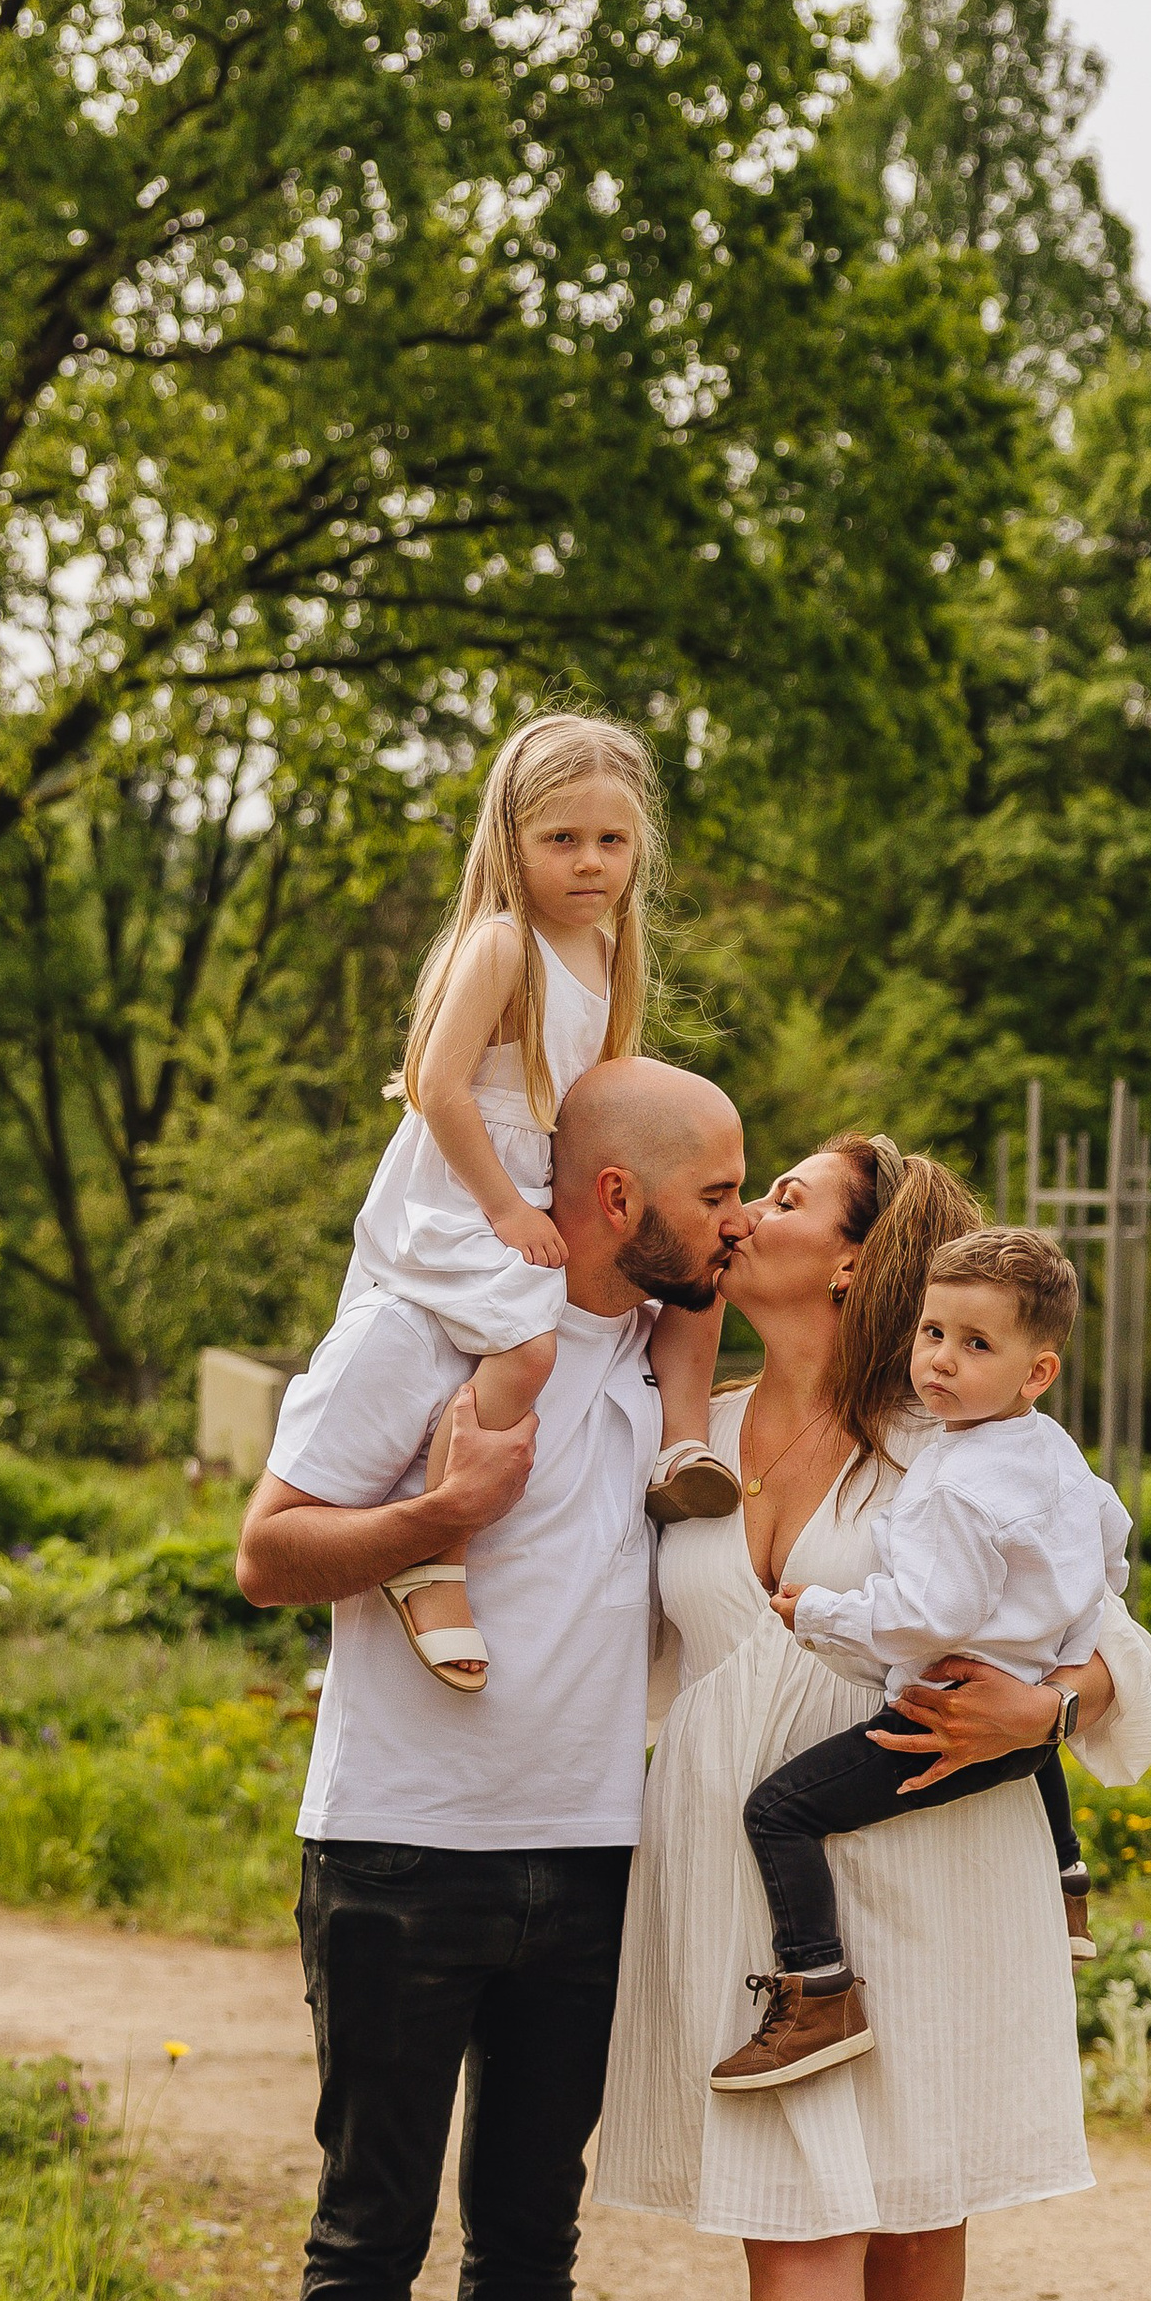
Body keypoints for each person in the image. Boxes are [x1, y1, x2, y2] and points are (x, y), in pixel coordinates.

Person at [591, 1137, 1151, 2301]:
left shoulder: (954, 1433)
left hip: (926, 1847)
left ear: (853, 1262)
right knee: (796, 2218)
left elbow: (1115, 1632)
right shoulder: (678, 1427)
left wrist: (1052, 1703)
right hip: (746, 1865)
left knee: (912, 2214)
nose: (746, 1212)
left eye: (783, 1197)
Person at [235, 1057, 755, 2301]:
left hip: (589, 1851)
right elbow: (267, 1552)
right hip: (397, 1847)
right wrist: (445, 1514)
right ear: (617, 1198)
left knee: (532, 2232)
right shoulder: (426, 1331)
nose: (736, 1225)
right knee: (370, 2228)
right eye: (717, 1194)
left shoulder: (672, 1367)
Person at [341, 712, 736, 1694]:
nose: (590, 862)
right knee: (526, 1345)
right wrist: (509, 1215)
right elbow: (438, 1089)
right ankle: (433, 1554)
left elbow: (592, 1103)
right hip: (458, 1189)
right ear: (511, 841)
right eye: (562, 839)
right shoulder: (502, 945)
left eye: (612, 840)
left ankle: (677, 1451)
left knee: (683, 1285)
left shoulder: (603, 949)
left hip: (538, 1184)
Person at [713, 1225, 1126, 2093]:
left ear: (1037, 1371)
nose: (940, 1359)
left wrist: (819, 1613)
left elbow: (926, 1619)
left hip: (937, 1717)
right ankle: (1066, 1879)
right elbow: (1110, 1539)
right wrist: (1056, 1646)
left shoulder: (954, 1483)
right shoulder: (1049, 1448)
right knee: (1031, 1727)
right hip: (1021, 1713)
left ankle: (818, 1990)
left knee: (779, 1813)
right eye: (933, 1332)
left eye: (976, 1345)